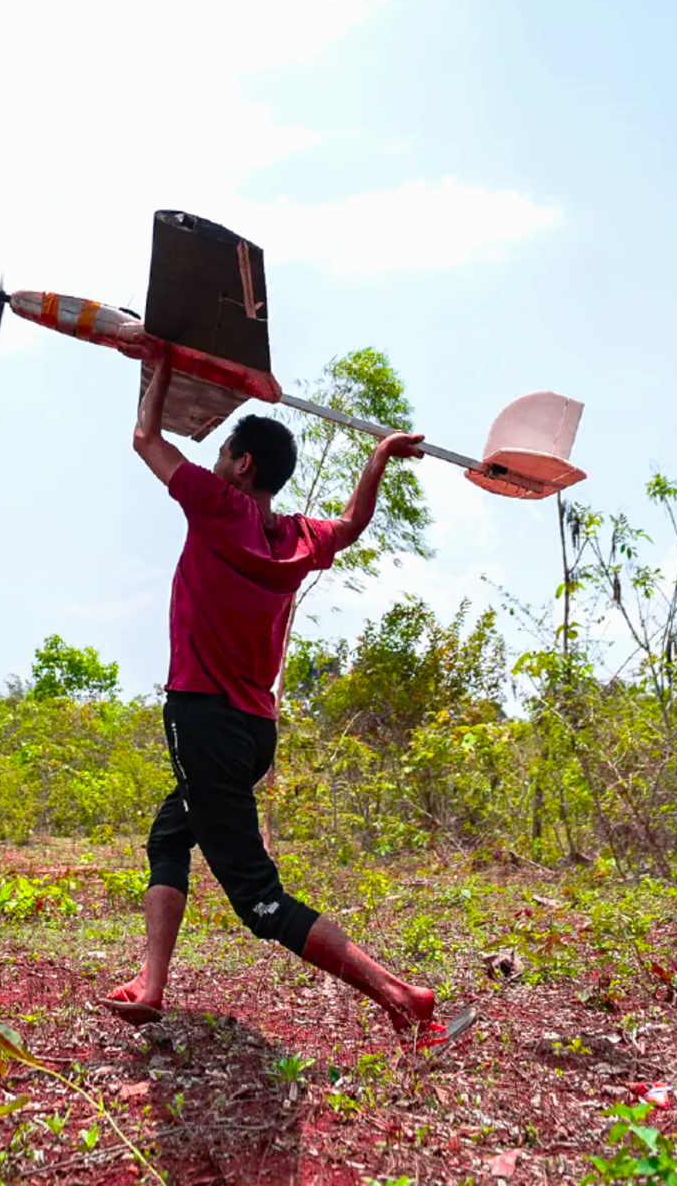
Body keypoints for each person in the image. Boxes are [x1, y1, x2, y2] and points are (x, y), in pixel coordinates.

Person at [98, 343, 453, 1046]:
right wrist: (378, 456)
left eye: (224, 449)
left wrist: (160, 360)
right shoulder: (295, 539)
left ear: (242, 466)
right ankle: (153, 985)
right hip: (254, 734)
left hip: (202, 720)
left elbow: (145, 436)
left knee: (259, 903)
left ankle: (401, 997)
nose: (217, 459)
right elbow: (351, 525)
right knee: (171, 833)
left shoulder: (213, 504)